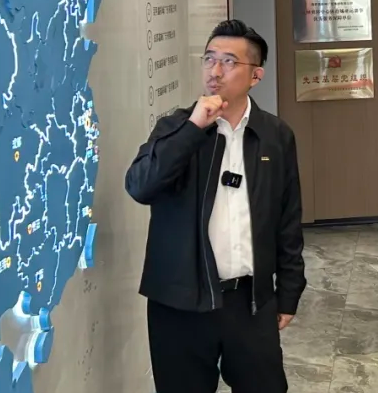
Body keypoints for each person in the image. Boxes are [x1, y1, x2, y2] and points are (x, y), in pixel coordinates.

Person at [125, 20, 305, 393]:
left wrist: (288, 291)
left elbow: (288, 219)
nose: (215, 70)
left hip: (248, 300)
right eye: (209, 59)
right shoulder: (176, 128)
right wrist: (193, 129)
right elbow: (140, 186)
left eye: (229, 61)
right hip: (179, 302)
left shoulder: (275, 135)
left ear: (256, 75)